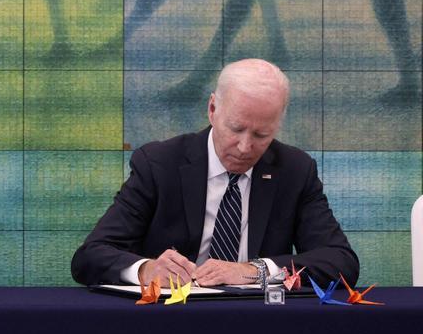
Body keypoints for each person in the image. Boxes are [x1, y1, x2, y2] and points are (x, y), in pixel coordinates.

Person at [71, 58, 358, 288]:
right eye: (235, 129)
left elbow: (340, 261)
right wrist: (146, 270)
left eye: (262, 134)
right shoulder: (159, 164)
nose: (245, 147)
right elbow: (90, 256)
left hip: (261, 324)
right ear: (212, 109)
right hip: (171, 320)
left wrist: (254, 271)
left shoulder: (295, 170)